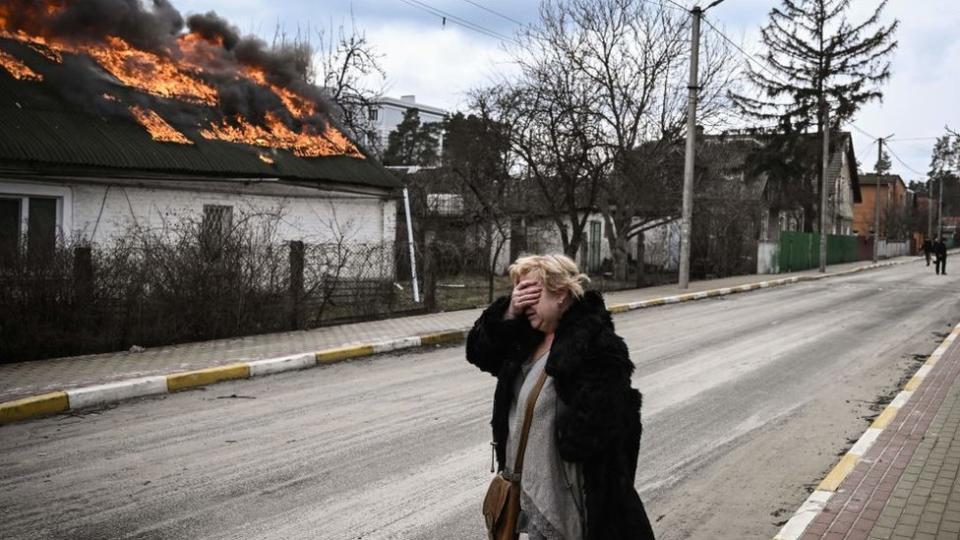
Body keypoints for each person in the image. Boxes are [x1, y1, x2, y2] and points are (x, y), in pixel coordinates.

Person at [466, 254, 655, 540]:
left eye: (533, 292)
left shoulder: (594, 344)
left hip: (570, 494)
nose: (525, 300)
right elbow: (479, 353)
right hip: (527, 486)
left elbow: (609, 423)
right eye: (520, 291)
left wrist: (569, 442)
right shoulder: (524, 338)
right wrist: (508, 313)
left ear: (561, 293)